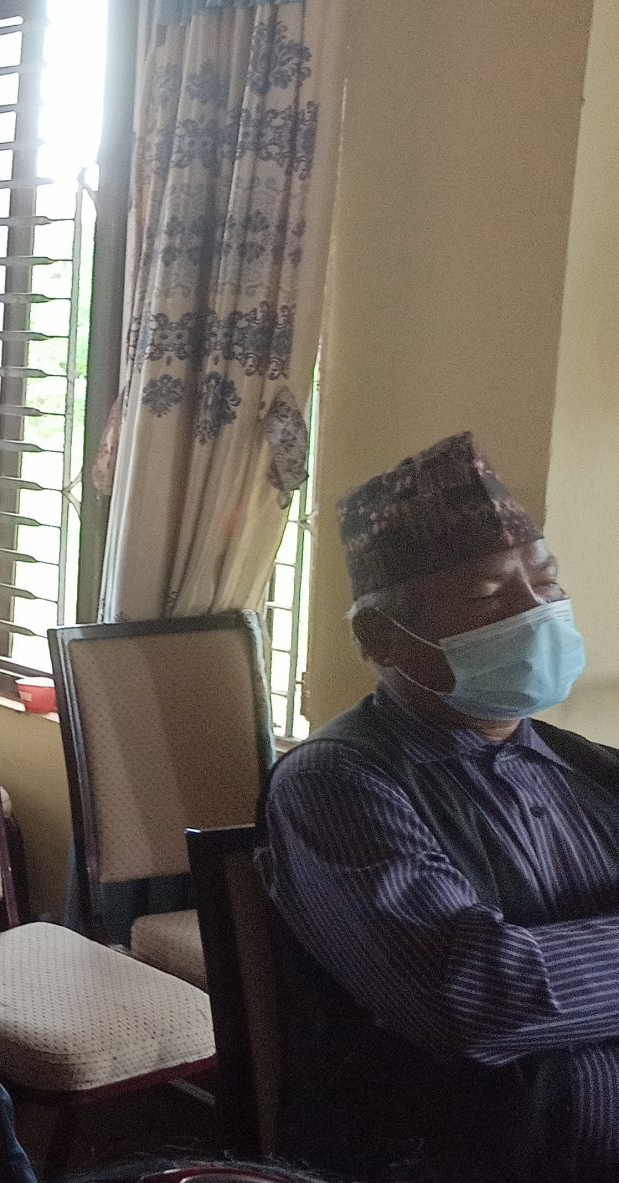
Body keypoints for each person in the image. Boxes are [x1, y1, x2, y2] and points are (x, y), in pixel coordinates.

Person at [261, 433, 618, 1183]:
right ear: (383, 637)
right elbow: (473, 996)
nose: (536, 613)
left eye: (547, 583)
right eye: (489, 596)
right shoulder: (336, 784)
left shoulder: (588, 767)